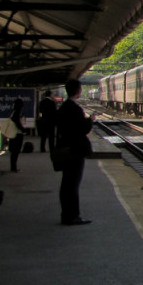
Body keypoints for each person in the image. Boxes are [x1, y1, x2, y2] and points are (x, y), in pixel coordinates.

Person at [55, 79, 94, 226]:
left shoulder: (63, 107)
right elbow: (82, 129)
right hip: (75, 150)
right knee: (73, 185)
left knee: (66, 183)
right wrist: (90, 120)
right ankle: (73, 216)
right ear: (78, 91)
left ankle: (66, 214)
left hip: (65, 148)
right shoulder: (75, 109)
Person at [2, 99, 26, 172]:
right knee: (16, 151)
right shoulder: (17, 112)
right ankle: (13, 167)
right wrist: (23, 130)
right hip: (17, 133)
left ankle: (13, 167)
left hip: (14, 133)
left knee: (14, 151)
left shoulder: (14, 112)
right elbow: (17, 122)